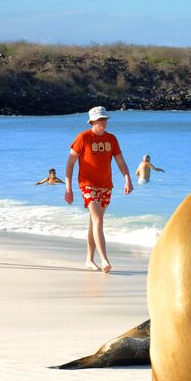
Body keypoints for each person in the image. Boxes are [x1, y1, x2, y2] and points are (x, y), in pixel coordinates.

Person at [64, 106, 133, 273]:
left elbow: (120, 161)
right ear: (92, 121)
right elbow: (70, 163)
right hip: (87, 184)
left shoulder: (112, 139)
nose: (104, 122)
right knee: (98, 220)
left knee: (94, 222)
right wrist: (68, 188)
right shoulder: (83, 138)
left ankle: (89, 259)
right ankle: (104, 259)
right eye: (101, 119)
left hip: (106, 185)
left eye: (105, 119)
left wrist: (127, 179)